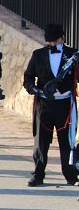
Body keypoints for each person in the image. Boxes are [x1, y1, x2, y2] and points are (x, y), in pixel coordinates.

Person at [23, 23, 79, 187]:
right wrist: (33, 89)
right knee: (41, 141)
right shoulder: (38, 55)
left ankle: (70, 174)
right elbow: (28, 77)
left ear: (63, 38)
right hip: (44, 104)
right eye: (51, 41)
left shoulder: (72, 55)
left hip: (65, 105)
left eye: (56, 40)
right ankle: (38, 175)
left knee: (66, 142)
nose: (53, 44)